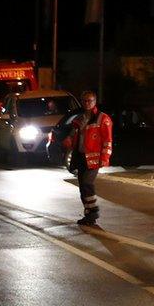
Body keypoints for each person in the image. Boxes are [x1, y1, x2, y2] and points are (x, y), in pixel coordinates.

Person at [62, 91, 113, 226]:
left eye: (90, 100)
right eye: (84, 101)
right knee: (82, 188)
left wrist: (105, 157)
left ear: (95, 102)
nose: (87, 103)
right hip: (80, 156)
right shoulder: (79, 119)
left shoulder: (103, 119)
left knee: (87, 183)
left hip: (94, 158)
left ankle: (93, 211)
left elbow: (108, 140)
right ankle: (89, 214)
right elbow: (73, 135)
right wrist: (69, 139)